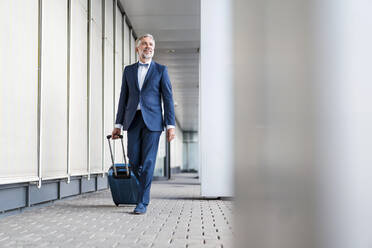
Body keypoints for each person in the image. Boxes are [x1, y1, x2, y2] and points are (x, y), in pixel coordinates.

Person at [111, 34, 175, 214]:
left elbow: (168, 99)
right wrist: (118, 124)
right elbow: (123, 98)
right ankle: (141, 195)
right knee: (134, 161)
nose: (148, 47)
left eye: (151, 44)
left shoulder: (161, 70)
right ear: (137, 48)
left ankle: (142, 202)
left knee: (147, 162)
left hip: (153, 123)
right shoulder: (128, 71)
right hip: (132, 121)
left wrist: (171, 126)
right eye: (145, 44)